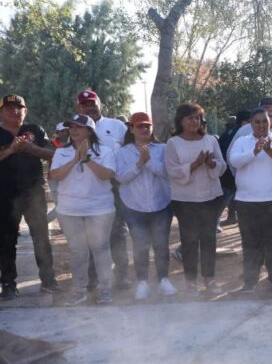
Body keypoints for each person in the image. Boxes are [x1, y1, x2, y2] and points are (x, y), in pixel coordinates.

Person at [48, 114, 117, 305]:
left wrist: (87, 159)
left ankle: (105, 290)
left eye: (79, 126)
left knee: (101, 249)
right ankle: (79, 291)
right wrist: (74, 159)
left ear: (90, 130)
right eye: (71, 127)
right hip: (70, 210)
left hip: (100, 209)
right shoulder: (62, 152)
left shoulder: (105, 150)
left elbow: (107, 175)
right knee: (78, 251)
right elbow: (54, 175)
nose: (74, 130)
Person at [228, 97, 272, 273]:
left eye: (265, 120)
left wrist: (269, 151)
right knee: (251, 240)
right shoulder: (242, 138)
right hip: (247, 199)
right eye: (257, 122)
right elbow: (234, 161)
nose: (261, 125)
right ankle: (251, 276)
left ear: (271, 120)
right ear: (251, 123)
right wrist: (254, 152)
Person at [0, 94, 57, 299]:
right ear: (1, 111)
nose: (14, 111)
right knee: (6, 240)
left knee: (41, 238)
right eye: (8, 108)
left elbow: (52, 153)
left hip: (33, 193)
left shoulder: (35, 130)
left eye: (18, 107)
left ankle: (49, 280)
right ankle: (8, 284)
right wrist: (11, 150)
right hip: (5, 195)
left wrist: (32, 149)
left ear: (26, 110)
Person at [165, 102, 226, 295]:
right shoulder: (173, 143)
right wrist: (193, 165)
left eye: (197, 117)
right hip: (184, 201)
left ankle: (210, 280)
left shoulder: (210, 140)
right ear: (180, 121)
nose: (194, 121)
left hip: (210, 197)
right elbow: (171, 170)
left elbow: (222, 165)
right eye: (190, 118)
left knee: (208, 239)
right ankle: (191, 283)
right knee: (189, 241)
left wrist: (210, 163)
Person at [115, 112, 176, 300]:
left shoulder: (163, 149)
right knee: (140, 246)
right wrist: (139, 163)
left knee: (161, 245)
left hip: (161, 204)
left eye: (147, 126)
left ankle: (163, 280)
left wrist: (148, 162)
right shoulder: (123, 152)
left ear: (152, 128)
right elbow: (121, 178)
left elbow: (167, 173)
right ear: (131, 129)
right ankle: (142, 283)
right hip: (134, 206)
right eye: (139, 126)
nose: (144, 129)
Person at [76, 89, 131, 290]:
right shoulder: (75, 129)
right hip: (88, 188)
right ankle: (94, 278)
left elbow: (130, 151)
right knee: (91, 234)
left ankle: (122, 276)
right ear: (79, 108)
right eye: (84, 104)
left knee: (117, 231)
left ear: (100, 104)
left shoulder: (117, 126)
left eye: (92, 103)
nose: (89, 107)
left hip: (115, 186)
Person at [218, 109, 250, 226]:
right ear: (244, 122)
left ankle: (231, 217)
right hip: (232, 171)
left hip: (224, 170)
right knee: (226, 196)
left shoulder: (226, 133)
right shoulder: (241, 134)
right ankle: (213, 222)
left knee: (230, 196)